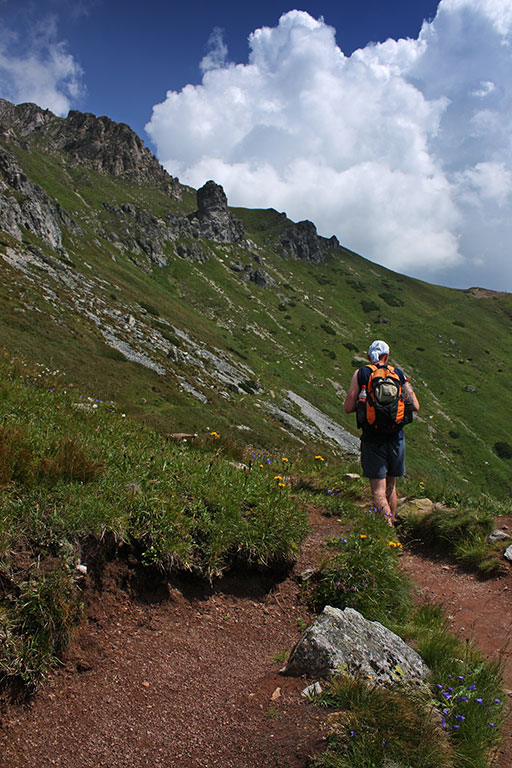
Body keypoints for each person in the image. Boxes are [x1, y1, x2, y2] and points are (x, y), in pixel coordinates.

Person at [344, 340, 419, 526]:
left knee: (378, 490)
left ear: (369, 356)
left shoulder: (361, 373)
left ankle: (388, 531)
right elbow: (415, 406)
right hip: (396, 438)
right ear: (387, 356)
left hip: (373, 438)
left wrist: (367, 406)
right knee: (390, 485)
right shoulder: (398, 374)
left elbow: (348, 407)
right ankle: (392, 521)